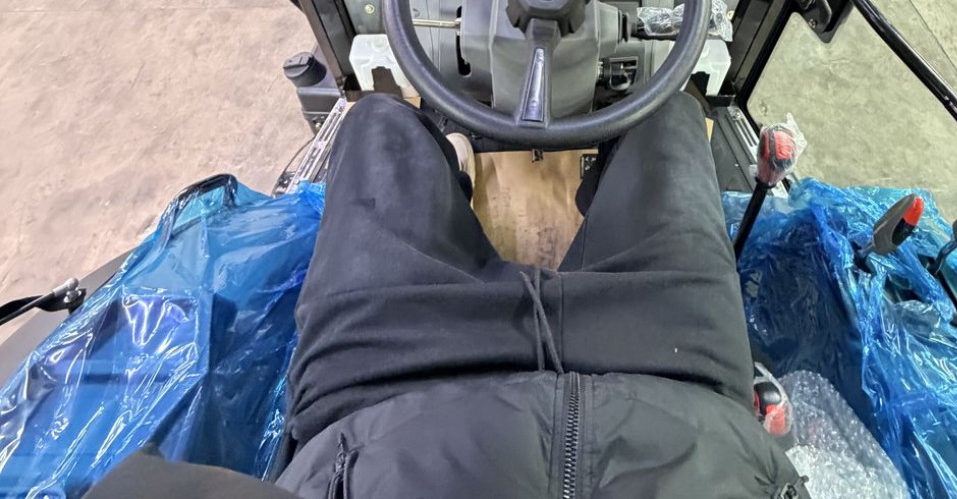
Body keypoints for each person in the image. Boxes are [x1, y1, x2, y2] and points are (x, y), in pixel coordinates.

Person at [88, 92, 807, 498]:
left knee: (378, 126)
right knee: (671, 118)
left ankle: (452, 164)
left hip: (388, 398)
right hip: (678, 387)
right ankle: (535, 169)